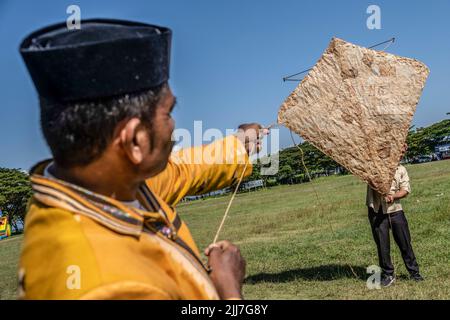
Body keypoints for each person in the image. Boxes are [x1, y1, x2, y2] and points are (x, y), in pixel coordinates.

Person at [18, 19, 268, 299]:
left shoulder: (102, 186)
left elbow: (182, 171)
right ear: (135, 140)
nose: (173, 125)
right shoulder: (108, 287)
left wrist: (238, 145)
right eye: (168, 113)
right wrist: (229, 288)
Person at [366, 144, 423, 287]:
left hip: (395, 210)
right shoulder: (375, 166)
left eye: (404, 152)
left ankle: (414, 273)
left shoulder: (402, 170)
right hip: (377, 211)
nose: (402, 154)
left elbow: (405, 190)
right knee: (382, 245)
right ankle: (388, 275)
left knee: (405, 242)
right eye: (400, 151)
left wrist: (393, 196)